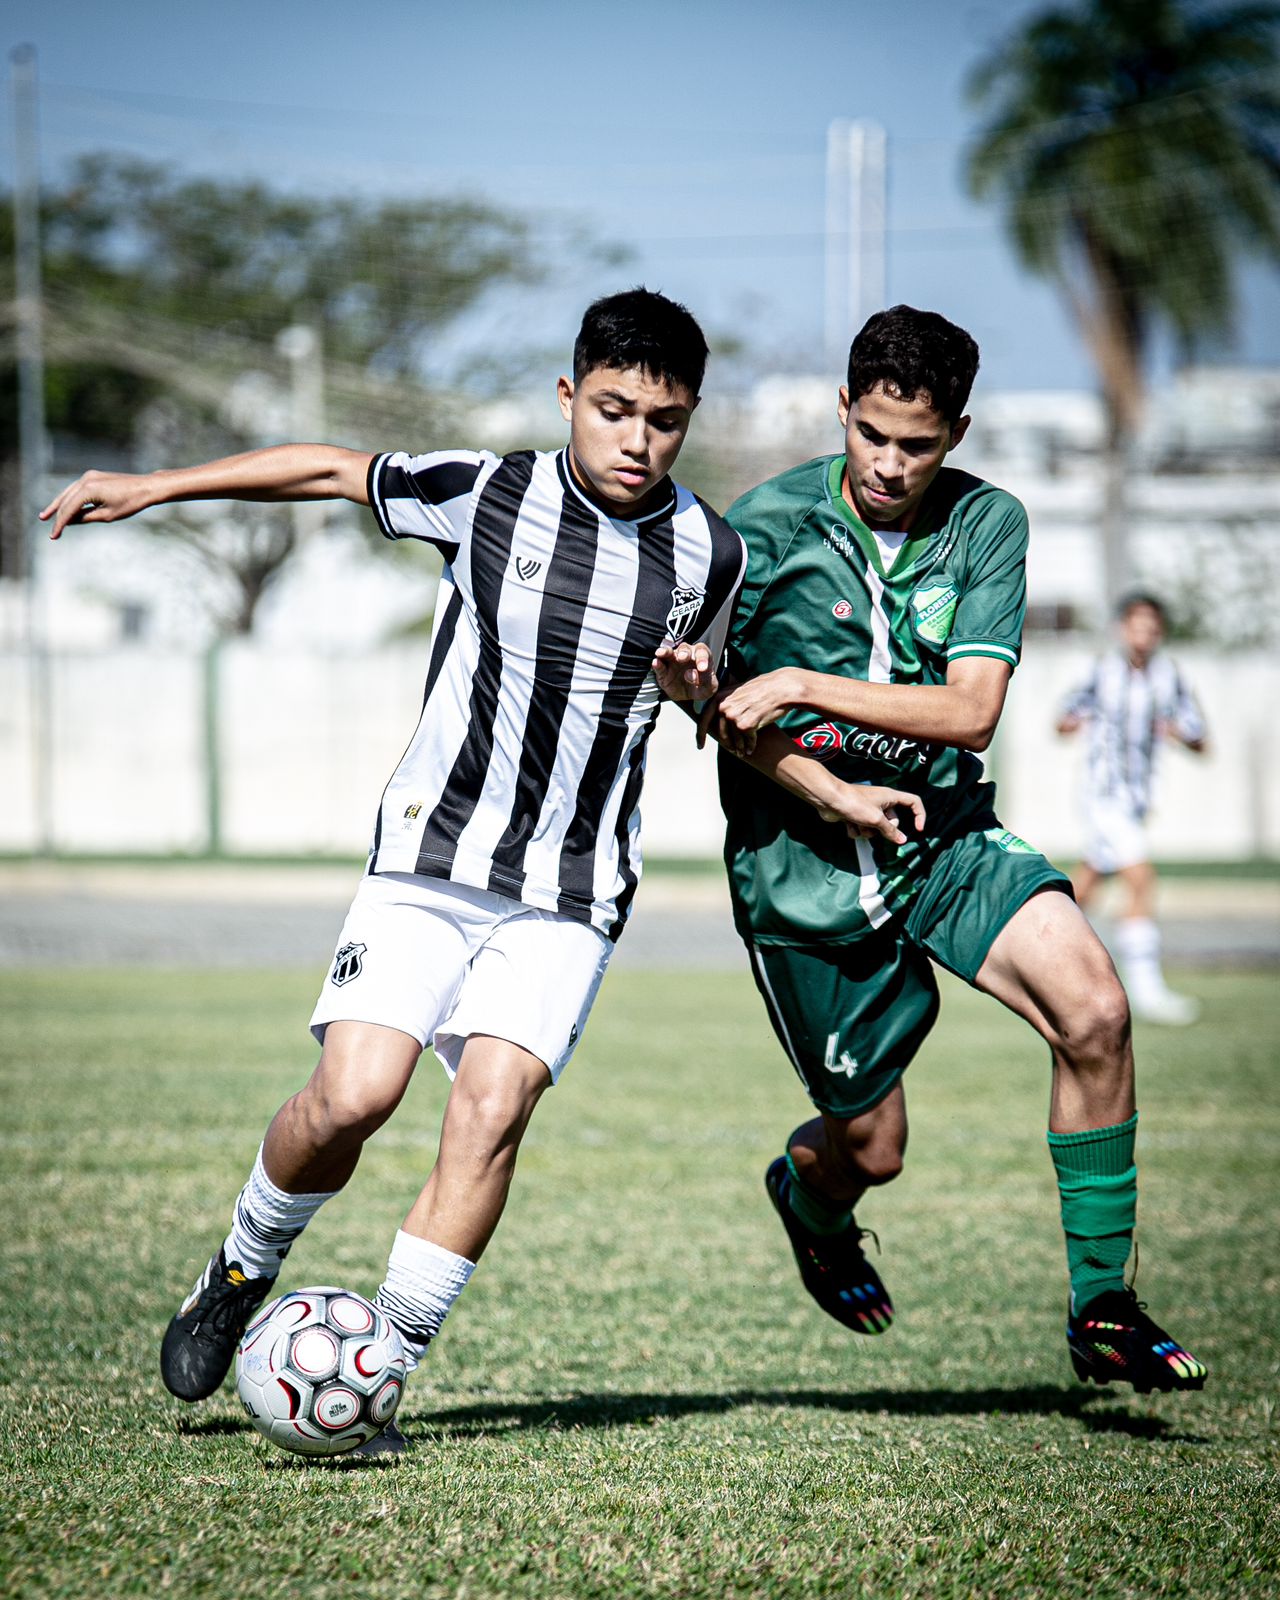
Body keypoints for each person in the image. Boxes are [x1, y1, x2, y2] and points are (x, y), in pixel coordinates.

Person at [44, 288, 818, 1450]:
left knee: (491, 1112)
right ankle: (242, 1264)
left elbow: (717, 708)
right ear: (570, 396)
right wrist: (156, 488)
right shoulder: (488, 491)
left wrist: (702, 696)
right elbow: (326, 473)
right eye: (612, 410)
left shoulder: (714, 552)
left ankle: (377, 1370)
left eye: (663, 419)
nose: (634, 439)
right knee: (353, 1098)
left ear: (688, 418)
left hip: (570, 887)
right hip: (430, 857)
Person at [699, 305, 1206, 1395]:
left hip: (944, 837)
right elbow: (715, 708)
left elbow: (970, 711)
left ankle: (1099, 1305)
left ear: (957, 432)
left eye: (915, 443)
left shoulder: (988, 526)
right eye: (870, 434)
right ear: (842, 409)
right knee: (871, 1149)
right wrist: (774, 724)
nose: (887, 464)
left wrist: (797, 681)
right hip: (804, 869)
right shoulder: (760, 527)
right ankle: (809, 1198)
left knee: (1097, 1011)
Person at [1057, 593, 1207, 1025]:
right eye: (1137, 626)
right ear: (1124, 629)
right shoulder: (1100, 671)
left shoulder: (1169, 676)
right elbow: (1063, 718)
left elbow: (1198, 735)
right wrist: (1073, 722)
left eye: (1152, 628)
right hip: (1103, 796)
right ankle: (1147, 991)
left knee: (1083, 889)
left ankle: (1039, 954)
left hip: (1138, 800)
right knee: (1141, 882)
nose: (1144, 636)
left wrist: (1181, 733)